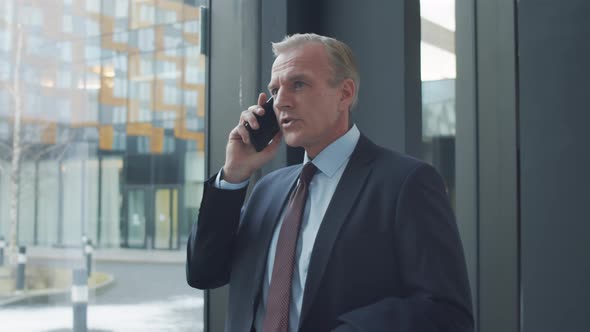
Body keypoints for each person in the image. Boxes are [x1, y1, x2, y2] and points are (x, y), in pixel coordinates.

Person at [186, 33, 473, 332]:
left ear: (344, 94)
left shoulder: (406, 183)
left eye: (298, 84)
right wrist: (234, 173)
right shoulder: (267, 190)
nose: (281, 101)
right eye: (274, 90)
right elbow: (203, 273)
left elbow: (445, 313)